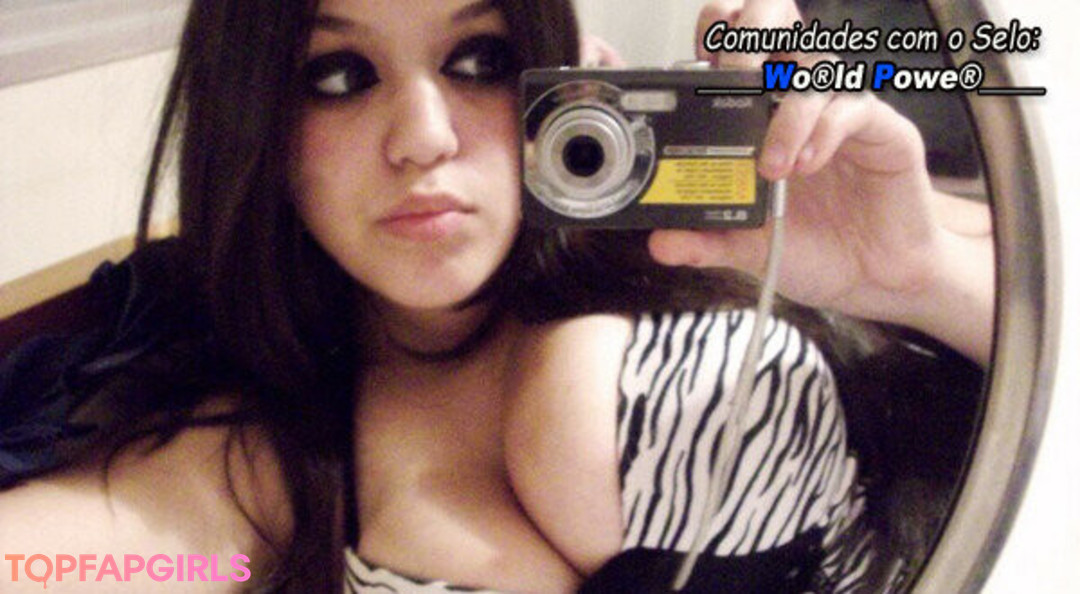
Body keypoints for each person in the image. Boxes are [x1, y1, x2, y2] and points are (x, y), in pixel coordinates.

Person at [0, 0, 993, 592]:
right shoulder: (259, 461)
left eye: (480, 60)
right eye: (338, 74)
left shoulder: (725, 255)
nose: (424, 138)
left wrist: (916, 280)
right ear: (256, 121)